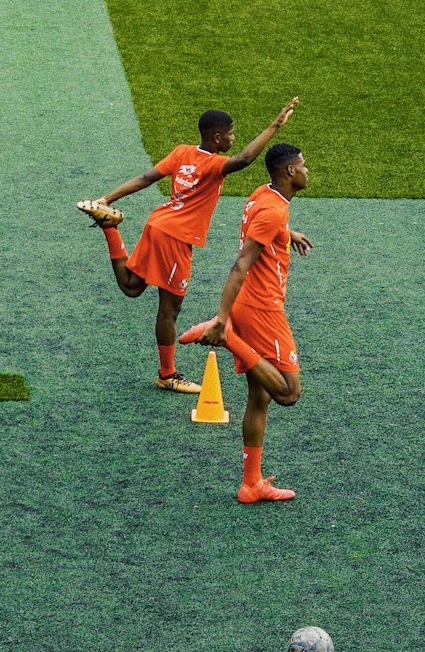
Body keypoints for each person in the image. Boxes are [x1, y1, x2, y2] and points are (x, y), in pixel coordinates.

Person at [77, 98, 299, 394]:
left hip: (158, 223)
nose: (234, 138)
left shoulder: (182, 152)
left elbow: (146, 178)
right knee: (170, 309)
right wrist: (275, 124)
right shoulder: (213, 165)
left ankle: (110, 228)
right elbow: (245, 159)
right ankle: (167, 374)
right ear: (217, 137)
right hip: (176, 239)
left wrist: (107, 200)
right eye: (231, 134)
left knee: (132, 286)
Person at [180, 139, 312, 504]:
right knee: (288, 392)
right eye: (303, 165)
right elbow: (241, 263)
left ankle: (251, 484)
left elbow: (265, 227)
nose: (306, 170)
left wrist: (287, 235)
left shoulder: (263, 196)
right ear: (289, 172)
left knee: (260, 397)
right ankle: (224, 336)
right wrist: (224, 321)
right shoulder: (273, 212)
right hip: (261, 309)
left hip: (250, 305)